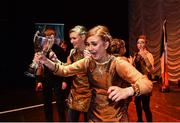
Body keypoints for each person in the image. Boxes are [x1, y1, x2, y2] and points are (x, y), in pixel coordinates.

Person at [34, 25, 153, 122]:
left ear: (106, 45)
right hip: (94, 117)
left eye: (94, 44)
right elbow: (64, 70)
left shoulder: (117, 63)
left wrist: (127, 91)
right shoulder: (88, 62)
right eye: (88, 44)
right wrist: (45, 61)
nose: (90, 48)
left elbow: (147, 84)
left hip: (115, 119)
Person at [35, 28, 67, 122]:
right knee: (47, 102)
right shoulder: (42, 50)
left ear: (55, 37)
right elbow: (39, 67)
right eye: (47, 37)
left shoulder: (60, 50)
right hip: (46, 79)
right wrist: (39, 81)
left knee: (60, 102)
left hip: (58, 79)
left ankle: (62, 120)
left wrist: (64, 81)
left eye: (51, 37)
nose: (49, 39)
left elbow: (65, 66)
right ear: (45, 38)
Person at [130, 35, 154, 122]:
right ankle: (139, 120)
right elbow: (134, 69)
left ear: (146, 44)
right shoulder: (135, 55)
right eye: (138, 42)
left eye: (142, 42)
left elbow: (151, 70)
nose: (140, 44)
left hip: (145, 82)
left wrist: (145, 58)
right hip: (137, 82)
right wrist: (131, 63)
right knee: (137, 103)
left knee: (145, 106)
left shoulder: (149, 55)